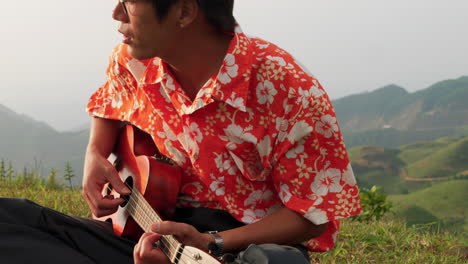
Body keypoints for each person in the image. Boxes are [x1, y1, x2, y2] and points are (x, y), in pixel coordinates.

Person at [0, 1, 361, 263]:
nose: (116, 13)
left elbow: (313, 214)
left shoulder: (285, 88)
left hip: (240, 245)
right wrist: (95, 154)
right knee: (10, 216)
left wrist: (212, 242)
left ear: (185, 12)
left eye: (130, 3)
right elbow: (109, 101)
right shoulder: (134, 59)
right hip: (149, 229)